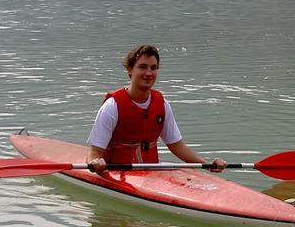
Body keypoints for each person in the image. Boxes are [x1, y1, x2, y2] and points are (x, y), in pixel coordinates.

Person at [86, 44, 226, 174]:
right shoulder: (112, 106)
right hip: (117, 173)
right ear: (130, 69)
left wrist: (208, 165)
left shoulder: (162, 104)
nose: (149, 73)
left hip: (151, 172)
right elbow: (95, 152)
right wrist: (95, 163)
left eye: (153, 68)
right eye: (143, 67)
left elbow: (177, 146)